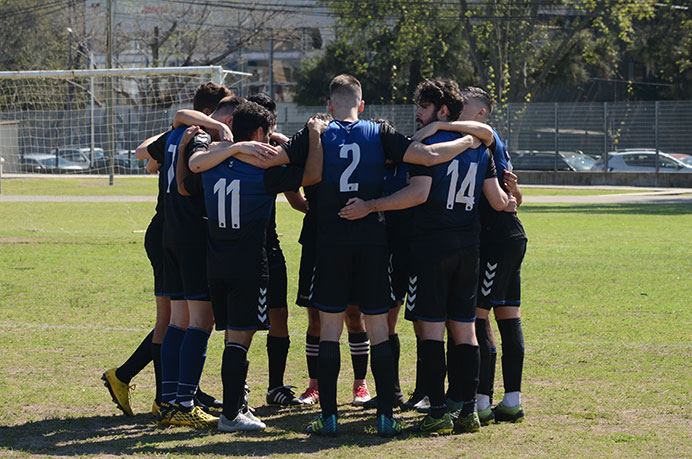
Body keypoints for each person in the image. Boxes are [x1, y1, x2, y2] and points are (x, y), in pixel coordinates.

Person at [304, 74, 489, 437]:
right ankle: (456, 408)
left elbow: (420, 188)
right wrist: (470, 136)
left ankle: (432, 408)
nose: (417, 113)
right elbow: (497, 195)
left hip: (414, 244)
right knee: (453, 330)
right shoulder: (479, 143)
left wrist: (372, 204)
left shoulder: (419, 140)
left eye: (424, 107)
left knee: (410, 328)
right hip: (456, 245)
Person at [190, 101, 325, 431]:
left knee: (230, 338)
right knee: (240, 339)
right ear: (261, 133)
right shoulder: (263, 169)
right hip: (249, 264)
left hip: (216, 260)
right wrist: (314, 134)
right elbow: (313, 174)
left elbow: (193, 165)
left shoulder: (209, 162)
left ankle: (236, 406)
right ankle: (231, 414)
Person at [102, 82, 230, 417]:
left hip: (168, 229)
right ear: (211, 113)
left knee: (177, 319)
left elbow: (148, 160)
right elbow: (145, 153)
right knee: (174, 320)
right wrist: (184, 137)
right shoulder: (194, 135)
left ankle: (175, 391)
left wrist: (173, 145)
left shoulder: (186, 138)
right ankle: (156, 391)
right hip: (171, 231)